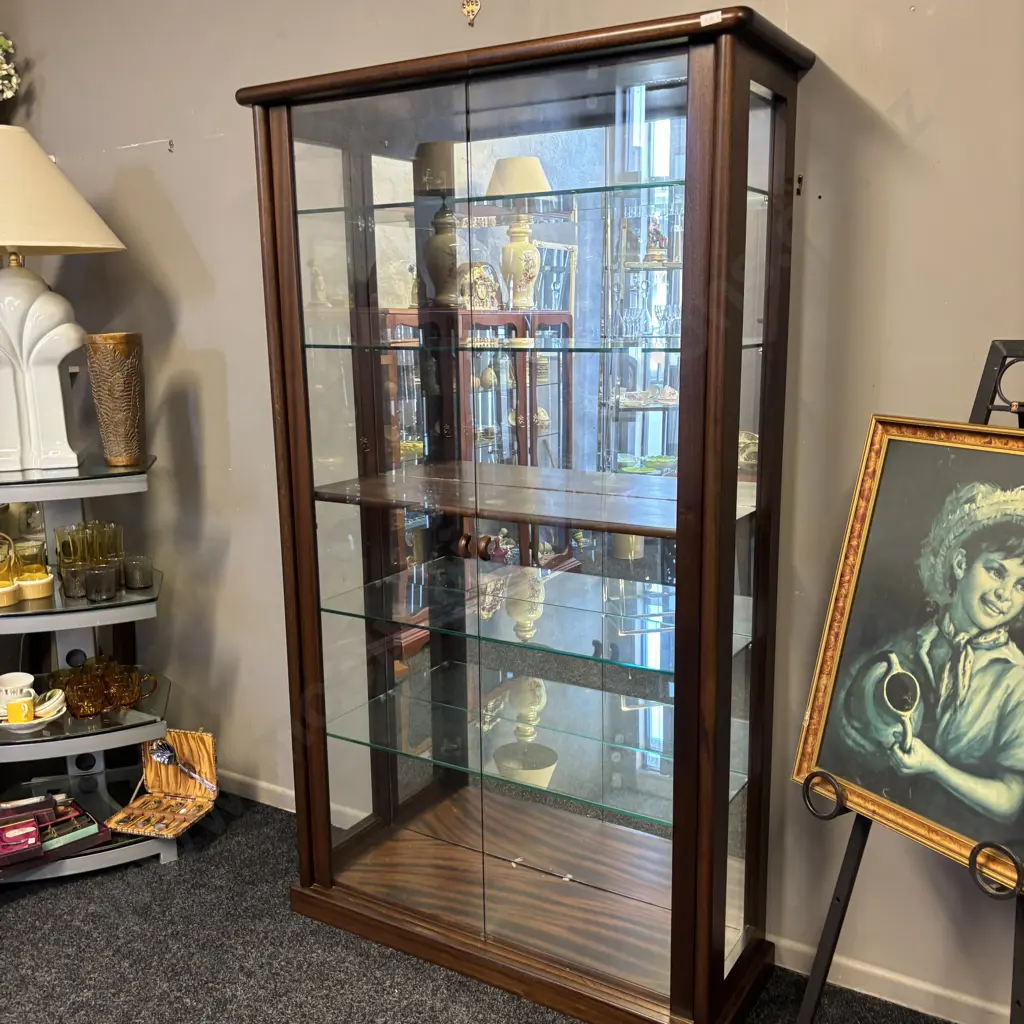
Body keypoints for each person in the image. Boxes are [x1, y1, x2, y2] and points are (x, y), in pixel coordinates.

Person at [822, 482, 1024, 842]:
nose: (1004, 594)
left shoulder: (1016, 679)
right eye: (996, 571)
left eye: (1022, 585)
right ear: (961, 563)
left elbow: (1010, 800)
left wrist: (934, 767)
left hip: (963, 852)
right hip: (885, 824)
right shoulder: (904, 646)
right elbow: (844, 726)